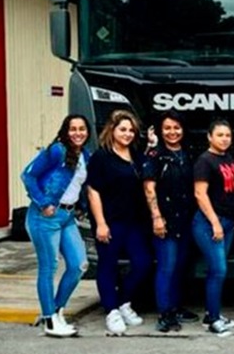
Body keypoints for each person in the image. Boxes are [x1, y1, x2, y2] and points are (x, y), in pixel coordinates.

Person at [20, 114, 91, 337]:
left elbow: (81, 185)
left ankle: (56, 310)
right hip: (45, 217)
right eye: (73, 129)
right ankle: (50, 320)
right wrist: (43, 203)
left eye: (82, 129)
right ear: (65, 131)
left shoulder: (85, 155)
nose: (78, 133)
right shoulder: (57, 151)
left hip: (67, 216)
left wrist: (81, 207)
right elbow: (28, 175)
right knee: (49, 267)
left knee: (79, 265)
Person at [86, 109, 152, 337]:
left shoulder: (136, 155)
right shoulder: (101, 157)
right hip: (110, 221)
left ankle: (123, 302)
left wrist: (151, 146)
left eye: (131, 130)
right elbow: (93, 191)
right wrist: (101, 223)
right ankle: (111, 310)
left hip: (134, 222)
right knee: (108, 265)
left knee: (143, 263)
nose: (127, 134)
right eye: (123, 129)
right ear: (112, 130)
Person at [142, 111, 196, 333]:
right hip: (164, 221)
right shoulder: (155, 155)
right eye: (167, 128)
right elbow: (149, 188)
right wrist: (156, 217)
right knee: (167, 266)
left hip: (186, 219)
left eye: (176, 127)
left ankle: (176, 307)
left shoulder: (188, 152)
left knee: (181, 266)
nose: (172, 132)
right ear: (160, 130)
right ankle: (165, 314)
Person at [191, 119, 234, 337]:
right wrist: (214, 222)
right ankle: (213, 320)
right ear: (209, 137)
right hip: (209, 224)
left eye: (227, 135)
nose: (224, 139)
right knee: (218, 270)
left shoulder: (227, 158)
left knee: (219, 271)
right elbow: (200, 194)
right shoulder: (205, 161)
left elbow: (230, 190)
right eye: (220, 135)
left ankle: (212, 314)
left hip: (228, 222)